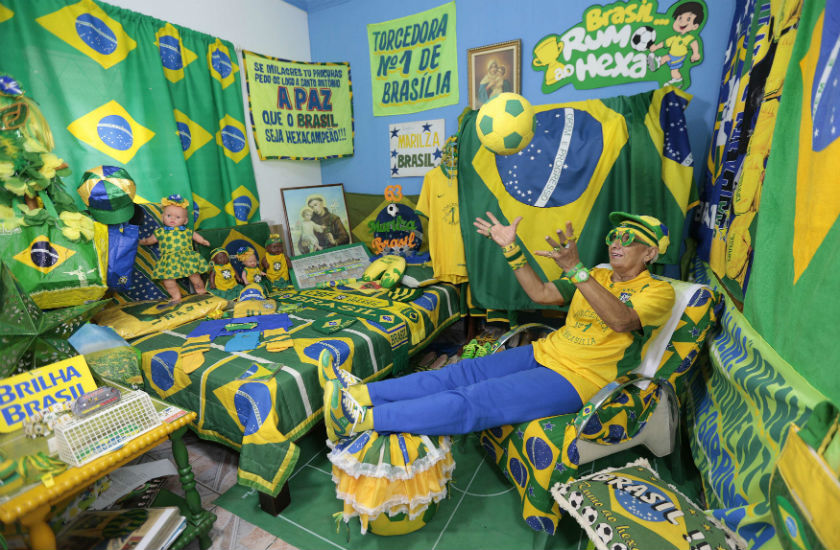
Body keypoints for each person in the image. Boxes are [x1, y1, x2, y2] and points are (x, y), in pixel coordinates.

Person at [320, 211, 676, 441]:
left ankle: (359, 420)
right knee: (458, 373)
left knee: (476, 399)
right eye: (615, 234)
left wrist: (575, 269)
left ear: (649, 253)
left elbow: (620, 319)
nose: (616, 242)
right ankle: (359, 396)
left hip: (581, 377)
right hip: (542, 352)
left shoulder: (659, 291)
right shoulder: (597, 275)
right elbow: (540, 292)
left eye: (629, 239)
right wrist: (512, 250)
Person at [139, 194, 210, 302]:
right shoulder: (160, 232)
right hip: (169, 260)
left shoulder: (186, 231)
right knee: (168, 280)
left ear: (185, 221)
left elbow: (195, 236)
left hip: (186, 257)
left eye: (177, 217)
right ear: (163, 217)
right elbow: (150, 240)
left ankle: (201, 291)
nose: (172, 219)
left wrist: (203, 241)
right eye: (169, 216)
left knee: (195, 277)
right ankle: (176, 296)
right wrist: (143, 241)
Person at [648, 1, 704, 87]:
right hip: (672, 54)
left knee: (671, 65)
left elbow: (693, 43)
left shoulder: (687, 38)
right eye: (680, 18)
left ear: (695, 26)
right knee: (671, 65)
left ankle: (661, 66)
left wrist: (696, 53)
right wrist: (656, 47)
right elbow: (665, 43)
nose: (682, 22)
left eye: (688, 19)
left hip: (679, 56)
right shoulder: (675, 38)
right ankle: (659, 65)